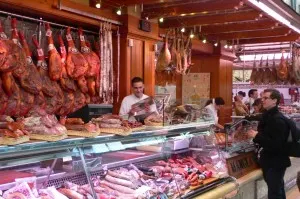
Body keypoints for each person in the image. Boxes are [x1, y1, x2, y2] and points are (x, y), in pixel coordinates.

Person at [247, 89, 290, 199]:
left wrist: (257, 136)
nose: (262, 100)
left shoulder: (277, 119)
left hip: (275, 162)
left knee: (275, 193)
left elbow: (276, 144)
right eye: (262, 98)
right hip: (271, 161)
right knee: (278, 190)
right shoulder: (269, 116)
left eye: (266, 98)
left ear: (274, 100)